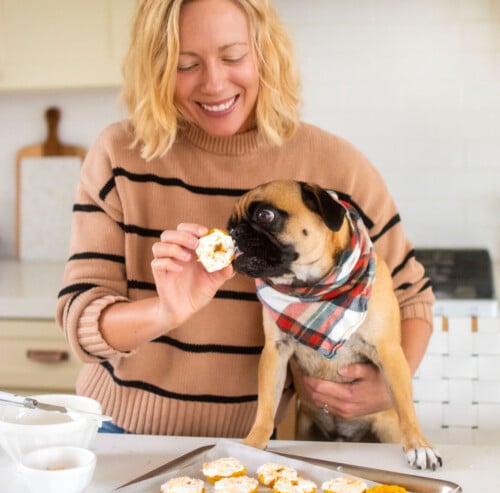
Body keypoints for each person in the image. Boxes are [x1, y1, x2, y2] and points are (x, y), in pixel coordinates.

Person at [56, 0, 434, 436]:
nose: (215, 84)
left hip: (262, 445)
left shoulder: (337, 168)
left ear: (264, 52)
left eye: (233, 56)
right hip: (119, 432)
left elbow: (412, 296)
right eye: (186, 65)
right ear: (156, 68)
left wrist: (387, 389)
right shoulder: (119, 154)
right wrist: (163, 312)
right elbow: (80, 318)